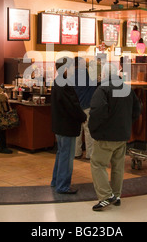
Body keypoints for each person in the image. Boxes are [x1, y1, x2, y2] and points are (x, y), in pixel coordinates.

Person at [89, 63, 141, 211]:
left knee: (98, 164)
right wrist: (127, 124)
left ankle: (105, 196)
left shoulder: (102, 89)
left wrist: (93, 129)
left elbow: (97, 111)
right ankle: (116, 195)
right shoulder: (127, 89)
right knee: (118, 166)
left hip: (105, 136)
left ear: (104, 75)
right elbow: (137, 109)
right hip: (122, 135)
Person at [51, 57, 87, 194]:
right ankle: (63, 186)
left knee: (61, 154)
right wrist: (82, 117)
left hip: (59, 125)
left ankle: (56, 181)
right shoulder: (65, 85)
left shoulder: (57, 82)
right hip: (67, 126)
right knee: (66, 157)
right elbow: (73, 106)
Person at [74, 57, 97, 159]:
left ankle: (76, 152)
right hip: (87, 105)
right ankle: (90, 154)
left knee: (77, 131)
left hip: (76, 106)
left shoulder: (71, 76)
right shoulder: (89, 74)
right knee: (88, 131)